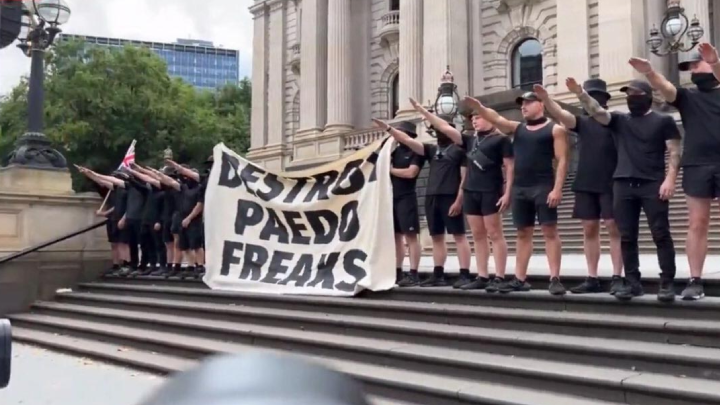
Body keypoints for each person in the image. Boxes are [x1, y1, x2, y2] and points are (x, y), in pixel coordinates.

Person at [568, 77, 681, 302]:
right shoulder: (620, 120)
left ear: (648, 97)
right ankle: (632, 282)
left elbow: (675, 151)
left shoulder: (663, 121)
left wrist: (670, 179)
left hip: (652, 183)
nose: (631, 99)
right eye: (628, 95)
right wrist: (581, 94)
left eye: (636, 94)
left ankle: (667, 282)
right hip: (622, 184)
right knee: (627, 236)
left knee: (661, 233)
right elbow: (597, 112)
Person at [625, 42, 720, 301]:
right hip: (696, 164)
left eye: (695, 65)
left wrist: (714, 62)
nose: (692, 71)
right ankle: (695, 280)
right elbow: (666, 89)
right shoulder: (689, 97)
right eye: (689, 68)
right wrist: (649, 72)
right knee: (697, 224)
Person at [463, 92, 569, 295]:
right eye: (522, 104)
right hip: (521, 188)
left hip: (543, 186)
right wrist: (480, 108)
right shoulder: (518, 128)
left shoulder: (555, 130)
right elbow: (497, 119)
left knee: (549, 232)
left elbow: (562, 160)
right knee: (522, 233)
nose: (524, 107)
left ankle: (555, 278)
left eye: (529, 102)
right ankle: (520, 278)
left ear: (541, 105)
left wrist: (557, 188)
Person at [409, 98, 514, 292]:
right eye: (472, 118)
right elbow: (446, 128)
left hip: (491, 190)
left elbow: (509, 167)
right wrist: (424, 112)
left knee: (495, 234)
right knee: (477, 235)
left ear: (491, 119)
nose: (474, 121)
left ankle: (499, 276)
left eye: (479, 117)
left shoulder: (501, 140)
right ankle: (482, 275)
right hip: (471, 192)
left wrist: (507, 193)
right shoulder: (470, 140)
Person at [533, 81, 624, 294]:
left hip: (610, 181)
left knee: (613, 228)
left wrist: (581, 94)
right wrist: (546, 99)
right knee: (589, 229)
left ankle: (618, 276)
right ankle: (592, 277)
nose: (589, 101)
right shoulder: (582, 122)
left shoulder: (613, 121)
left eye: (594, 96)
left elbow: (596, 110)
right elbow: (563, 116)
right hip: (586, 181)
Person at [372, 116, 472, 287]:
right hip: (431, 196)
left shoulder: (460, 150)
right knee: (436, 237)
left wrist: (459, 200)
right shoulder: (431, 150)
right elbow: (406, 140)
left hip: (450, 196)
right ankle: (438, 273)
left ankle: (465, 274)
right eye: (437, 129)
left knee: (459, 236)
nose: (439, 131)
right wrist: (388, 129)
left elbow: (464, 178)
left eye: (442, 128)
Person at [152, 162, 205, 279]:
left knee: (196, 244)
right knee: (184, 245)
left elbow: (199, 205)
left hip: (194, 219)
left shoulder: (199, 188)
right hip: (182, 218)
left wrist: (189, 218)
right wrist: (158, 174)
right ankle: (191, 266)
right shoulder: (183, 187)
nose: (185, 177)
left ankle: (200, 266)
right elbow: (170, 181)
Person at [76, 166, 132, 276]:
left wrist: (94, 173)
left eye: (116, 176)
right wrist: (89, 174)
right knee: (114, 243)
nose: (113, 178)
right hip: (113, 218)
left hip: (122, 218)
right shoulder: (116, 189)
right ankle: (116, 265)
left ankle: (126, 264)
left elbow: (126, 206)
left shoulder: (127, 187)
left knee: (123, 243)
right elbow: (101, 181)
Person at [126, 164, 164, 276]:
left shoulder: (162, 192)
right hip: (146, 220)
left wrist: (136, 171)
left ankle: (161, 265)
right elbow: (139, 186)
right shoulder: (149, 192)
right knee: (145, 244)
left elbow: (151, 178)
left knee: (158, 244)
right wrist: (130, 179)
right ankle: (151, 264)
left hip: (155, 221)